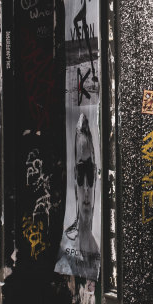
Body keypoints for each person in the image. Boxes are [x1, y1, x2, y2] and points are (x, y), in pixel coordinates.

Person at [55, 113, 100, 280]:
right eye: (82, 174)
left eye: (90, 173)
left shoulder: (99, 249)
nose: (87, 188)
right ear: (75, 177)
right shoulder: (66, 254)